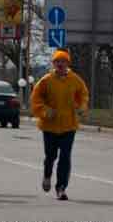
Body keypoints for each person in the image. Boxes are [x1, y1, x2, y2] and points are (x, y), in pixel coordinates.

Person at [30, 49, 89, 201]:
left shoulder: (75, 80)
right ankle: (47, 176)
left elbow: (83, 95)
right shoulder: (46, 80)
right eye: (57, 62)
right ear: (53, 64)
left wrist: (82, 107)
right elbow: (35, 99)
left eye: (63, 61)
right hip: (49, 125)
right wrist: (44, 111)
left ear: (68, 63)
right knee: (50, 156)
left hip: (69, 125)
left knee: (65, 157)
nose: (60, 64)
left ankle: (61, 188)